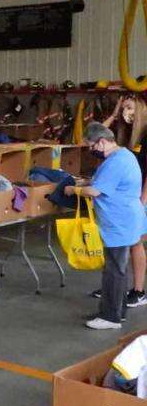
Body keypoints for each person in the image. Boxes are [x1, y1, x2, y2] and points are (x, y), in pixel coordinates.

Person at [64, 122, 147, 329]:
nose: (91, 150)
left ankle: (110, 318)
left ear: (102, 142)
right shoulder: (124, 155)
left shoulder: (115, 162)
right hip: (125, 220)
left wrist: (73, 190)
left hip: (119, 223)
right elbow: (102, 183)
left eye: (91, 146)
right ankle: (118, 311)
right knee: (118, 269)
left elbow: (95, 191)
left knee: (114, 270)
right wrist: (84, 184)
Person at [105, 95, 147, 308]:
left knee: (135, 242)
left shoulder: (146, 134)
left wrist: (143, 201)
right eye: (123, 108)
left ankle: (139, 291)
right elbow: (94, 138)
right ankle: (113, 287)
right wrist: (113, 115)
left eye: (129, 108)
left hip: (140, 197)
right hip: (124, 198)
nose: (125, 112)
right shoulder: (124, 134)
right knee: (119, 242)